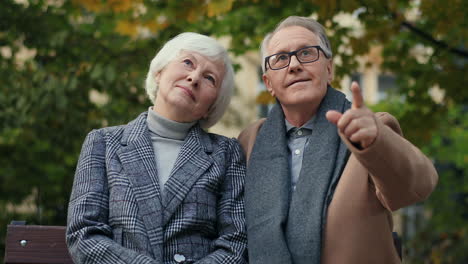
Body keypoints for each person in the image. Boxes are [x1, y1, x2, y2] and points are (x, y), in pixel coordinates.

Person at [238, 16, 438, 264]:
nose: (294, 65)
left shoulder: (368, 131)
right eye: (280, 58)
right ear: (268, 83)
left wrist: (375, 143)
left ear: (329, 69)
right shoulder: (250, 141)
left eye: (307, 53)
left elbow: (417, 187)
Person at [67, 32, 247, 264]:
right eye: (187, 63)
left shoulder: (227, 154)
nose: (194, 78)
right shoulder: (103, 142)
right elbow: (84, 233)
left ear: (211, 107)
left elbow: (236, 243)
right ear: (159, 72)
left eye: (209, 78)